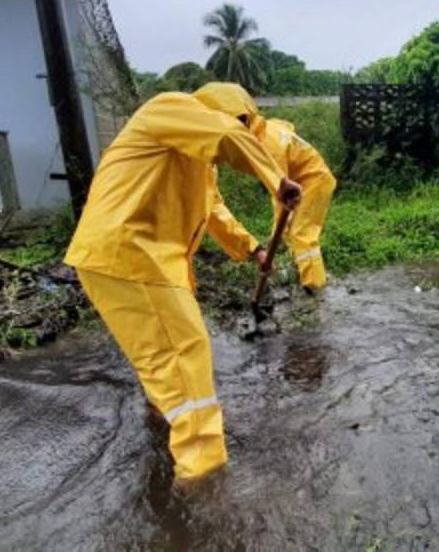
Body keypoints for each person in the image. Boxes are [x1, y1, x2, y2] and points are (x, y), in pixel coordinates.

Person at [64, 90, 301, 480]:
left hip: (128, 260)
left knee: (162, 358)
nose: (242, 131)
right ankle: (203, 479)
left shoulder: (196, 159)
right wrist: (276, 179)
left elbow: (214, 212)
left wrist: (253, 248)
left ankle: (163, 423)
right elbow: (225, 133)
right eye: (242, 123)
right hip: (132, 254)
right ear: (223, 112)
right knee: (186, 354)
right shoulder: (171, 107)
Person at [193, 82, 337, 291]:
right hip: (297, 181)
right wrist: (272, 237)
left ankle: (315, 288)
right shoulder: (262, 130)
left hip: (314, 181)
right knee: (288, 232)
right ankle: (298, 276)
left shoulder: (269, 147)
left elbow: (281, 192)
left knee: (301, 234)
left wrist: (275, 234)